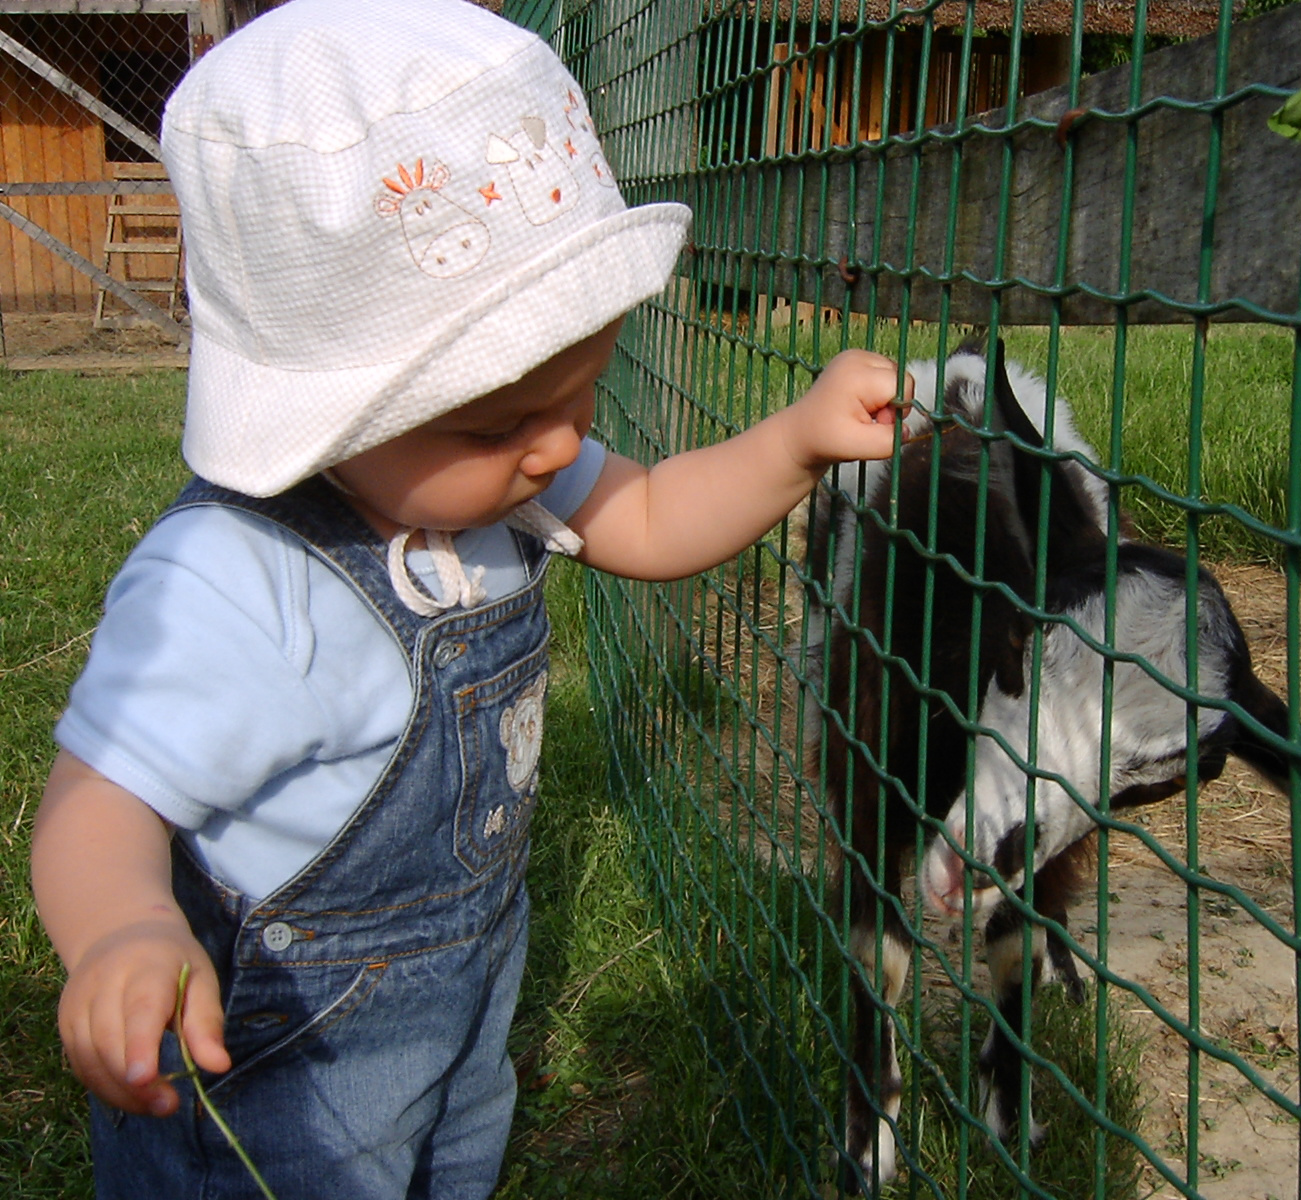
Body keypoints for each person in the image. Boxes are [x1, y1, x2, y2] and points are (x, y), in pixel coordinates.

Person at [28, 1, 909, 1196]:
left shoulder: (501, 479)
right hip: (276, 1062)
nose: (555, 448)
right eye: (498, 421)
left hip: (464, 1001)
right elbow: (99, 796)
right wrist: (125, 928)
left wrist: (794, 445)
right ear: (334, 411)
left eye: (584, 391)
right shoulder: (235, 578)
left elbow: (649, 519)